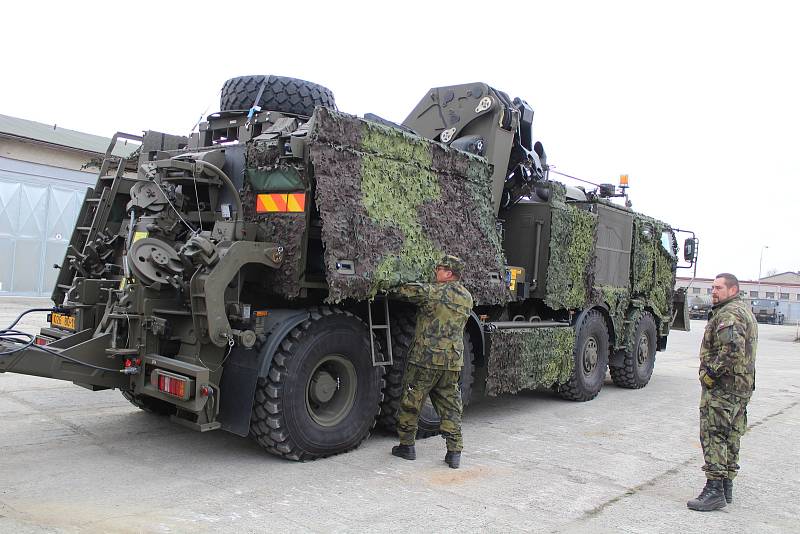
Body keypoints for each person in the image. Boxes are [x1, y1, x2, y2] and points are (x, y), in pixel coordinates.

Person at [388, 255, 474, 469]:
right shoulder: (467, 297)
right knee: (450, 405)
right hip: (451, 362)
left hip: (425, 359)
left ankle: (407, 446)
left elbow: (401, 291)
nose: (436, 271)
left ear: (449, 273)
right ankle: (454, 452)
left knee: (412, 401)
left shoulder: (432, 291)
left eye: (440, 268)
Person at [687, 273, 757, 511]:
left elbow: (732, 350)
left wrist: (710, 374)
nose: (713, 292)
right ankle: (726, 485)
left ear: (733, 290)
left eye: (718, 288)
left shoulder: (729, 314)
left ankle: (714, 488)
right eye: (712, 287)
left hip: (724, 388)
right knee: (731, 435)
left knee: (714, 434)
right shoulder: (742, 310)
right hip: (740, 387)